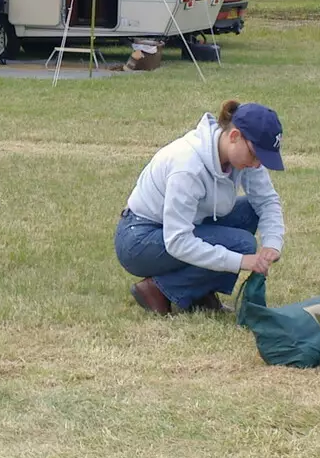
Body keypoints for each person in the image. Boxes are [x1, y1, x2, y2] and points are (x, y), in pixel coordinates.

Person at [115, 100, 287, 314]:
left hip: (179, 228)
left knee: (250, 212)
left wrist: (273, 243)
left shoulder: (243, 156)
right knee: (242, 244)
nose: (257, 164)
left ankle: (199, 291)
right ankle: (159, 290)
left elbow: (266, 201)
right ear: (234, 137)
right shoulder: (187, 166)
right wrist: (241, 260)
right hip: (139, 240)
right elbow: (177, 240)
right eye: (255, 155)